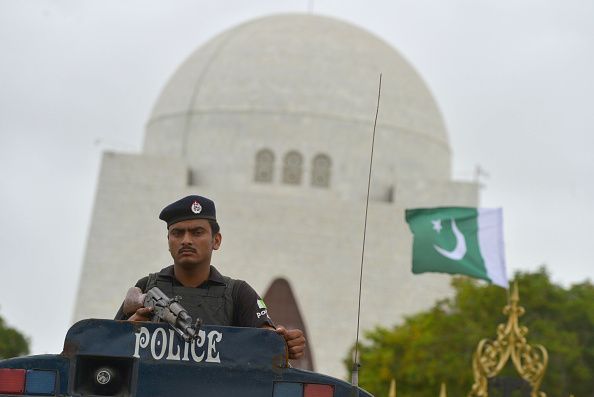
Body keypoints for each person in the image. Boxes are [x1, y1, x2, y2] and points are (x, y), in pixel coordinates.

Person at [115, 194, 305, 360]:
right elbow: (107, 343)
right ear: (168, 241)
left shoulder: (238, 293)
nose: (186, 240)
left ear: (216, 240)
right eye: (177, 233)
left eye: (197, 232)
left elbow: (266, 338)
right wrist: (128, 331)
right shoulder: (147, 286)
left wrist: (284, 343)